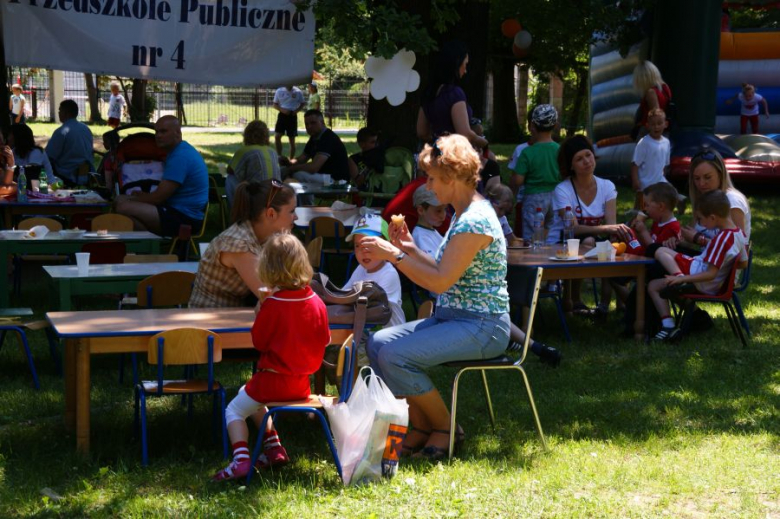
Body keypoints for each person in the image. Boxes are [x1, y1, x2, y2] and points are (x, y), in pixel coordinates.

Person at [361, 134, 511, 459]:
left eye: (431, 178)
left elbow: (440, 282)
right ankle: (420, 425)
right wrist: (408, 248)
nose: (426, 184)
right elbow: (446, 267)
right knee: (376, 344)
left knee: (394, 356)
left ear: (452, 177)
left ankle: (446, 428)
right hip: (454, 319)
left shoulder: (474, 220)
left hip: (483, 326)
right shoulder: (463, 212)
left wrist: (393, 256)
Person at [212, 233, 330, 481]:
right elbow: (325, 339)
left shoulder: (273, 303)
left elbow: (259, 342)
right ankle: (274, 448)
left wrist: (261, 309)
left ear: (266, 267)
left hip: (272, 382)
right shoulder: (317, 301)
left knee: (234, 410)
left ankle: (241, 460)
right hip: (301, 384)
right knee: (252, 397)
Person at [549, 135, 632, 319]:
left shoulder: (607, 186)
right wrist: (606, 230)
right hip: (561, 242)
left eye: (588, 155)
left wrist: (611, 234)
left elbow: (612, 226)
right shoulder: (562, 190)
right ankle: (573, 299)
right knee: (588, 241)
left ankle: (605, 304)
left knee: (608, 246)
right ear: (571, 166)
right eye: (579, 159)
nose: (586, 161)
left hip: (594, 241)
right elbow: (573, 229)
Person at [648, 190, 747, 342]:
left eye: (701, 219)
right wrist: (728, 268)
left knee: (659, 251)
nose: (700, 224)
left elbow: (710, 273)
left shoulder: (722, 239)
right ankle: (669, 323)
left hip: (701, 279)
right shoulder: (739, 234)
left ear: (713, 218)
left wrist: (683, 279)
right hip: (703, 274)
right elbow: (743, 262)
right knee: (654, 282)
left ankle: (668, 322)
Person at [189, 179, 297, 308]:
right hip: (210, 322)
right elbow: (273, 297)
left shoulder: (265, 238)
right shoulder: (238, 244)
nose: (296, 217)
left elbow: (285, 281)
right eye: (291, 211)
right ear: (271, 213)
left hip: (234, 315)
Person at [115, 115, 208, 236]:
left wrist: (135, 199)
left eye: (163, 131)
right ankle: (150, 242)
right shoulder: (179, 151)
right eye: (156, 132)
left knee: (123, 207)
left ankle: (150, 244)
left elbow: (158, 198)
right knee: (120, 200)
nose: (158, 136)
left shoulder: (180, 157)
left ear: (177, 133)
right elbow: (160, 196)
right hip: (177, 211)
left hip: (185, 218)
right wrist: (144, 196)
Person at [664, 148, 751, 251]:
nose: (701, 184)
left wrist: (699, 240)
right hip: (702, 261)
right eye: (697, 178)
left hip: (720, 266)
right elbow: (689, 238)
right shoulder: (705, 199)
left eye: (707, 177)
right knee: (658, 249)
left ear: (720, 174)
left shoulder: (732, 201)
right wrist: (675, 241)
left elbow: (739, 251)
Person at [416, 40, 488, 150]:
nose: (465, 70)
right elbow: (464, 133)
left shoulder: (429, 93)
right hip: (456, 156)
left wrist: (439, 139)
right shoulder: (454, 94)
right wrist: (483, 142)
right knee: (492, 164)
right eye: (465, 64)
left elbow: (422, 132)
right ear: (456, 64)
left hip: (436, 154)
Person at [344, 214, 405, 328]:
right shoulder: (361, 269)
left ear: (386, 246)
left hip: (389, 336)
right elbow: (345, 293)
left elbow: (377, 311)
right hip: (365, 328)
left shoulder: (388, 274)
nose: (364, 251)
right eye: (358, 245)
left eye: (370, 245)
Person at [511, 104, 560, 243]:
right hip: (556, 198)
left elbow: (518, 180)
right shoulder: (560, 150)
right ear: (555, 125)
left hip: (534, 199)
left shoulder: (527, 152)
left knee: (532, 236)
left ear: (532, 125)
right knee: (552, 233)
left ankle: (533, 261)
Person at [281, 109, 349, 182]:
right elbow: (302, 159)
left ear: (322, 122)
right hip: (325, 176)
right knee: (282, 171)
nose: (309, 126)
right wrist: (289, 162)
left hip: (337, 180)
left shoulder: (328, 138)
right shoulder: (315, 137)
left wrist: (291, 169)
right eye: (306, 124)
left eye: (313, 123)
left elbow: (313, 167)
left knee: (298, 175)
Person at [225, 120, 280, 208]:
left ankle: (235, 212)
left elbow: (230, 170)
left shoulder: (244, 151)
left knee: (230, 179)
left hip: (255, 195)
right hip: (275, 194)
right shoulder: (272, 151)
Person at [45, 99, 94, 186]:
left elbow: (49, 155)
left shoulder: (62, 132)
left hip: (67, 175)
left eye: (60, 110)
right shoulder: (86, 129)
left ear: (66, 113)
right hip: (86, 173)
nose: (58, 113)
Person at [631, 109, 670, 208]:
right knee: (642, 209)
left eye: (659, 123)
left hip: (659, 182)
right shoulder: (644, 143)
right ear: (647, 126)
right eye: (653, 124)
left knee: (659, 205)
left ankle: (677, 203)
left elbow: (665, 164)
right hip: (645, 183)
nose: (656, 127)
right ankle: (634, 219)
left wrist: (663, 176)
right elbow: (635, 164)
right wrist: (635, 180)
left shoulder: (666, 142)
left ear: (665, 124)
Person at [632, 61, 672, 139]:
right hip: (663, 130)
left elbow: (656, 115)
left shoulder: (651, 92)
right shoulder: (664, 87)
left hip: (650, 132)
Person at [411, 184, 446, 258]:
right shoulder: (421, 236)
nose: (443, 215)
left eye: (445, 209)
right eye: (438, 211)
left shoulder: (431, 231)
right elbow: (433, 263)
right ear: (421, 210)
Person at [272, 84, 305, 159]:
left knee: (292, 139)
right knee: (277, 136)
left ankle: (291, 159)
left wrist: (296, 111)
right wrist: (282, 110)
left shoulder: (298, 91)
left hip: (292, 116)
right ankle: (279, 156)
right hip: (282, 115)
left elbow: (303, 103)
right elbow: (274, 104)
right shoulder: (279, 90)